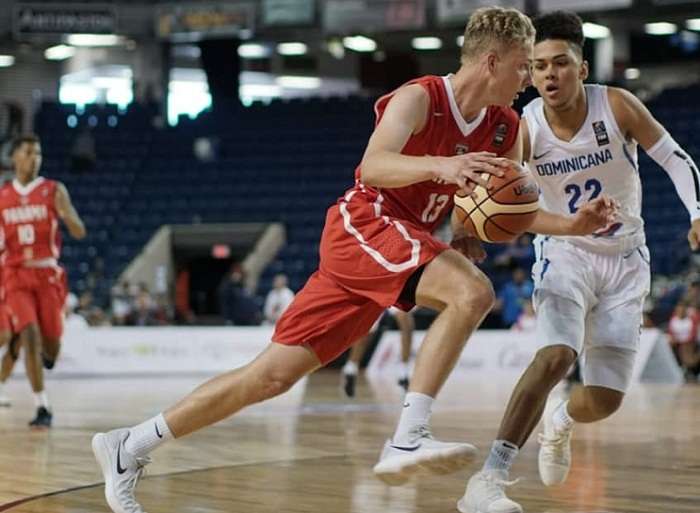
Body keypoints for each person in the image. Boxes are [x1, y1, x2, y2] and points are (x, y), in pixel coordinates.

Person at [91, 8, 612, 512]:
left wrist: (555, 224)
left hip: (396, 244)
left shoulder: (504, 127)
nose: (528, 78)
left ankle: (130, 444)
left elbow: (512, 208)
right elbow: (374, 165)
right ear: (493, 61)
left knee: (269, 377)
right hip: (365, 223)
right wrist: (443, 166)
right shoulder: (420, 97)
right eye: (524, 64)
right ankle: (408, 437)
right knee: (472, 292)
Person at [460, 11, 700, 513]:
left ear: (582, 68)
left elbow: (677, 160)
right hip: (564, 254)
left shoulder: (617, 106)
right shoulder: (524, 128)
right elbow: (495, 194)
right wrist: (470, 232)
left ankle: (561, 420)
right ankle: (488, 479)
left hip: (626, 261)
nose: (549, 75)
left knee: (605, 400)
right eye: (539, 66)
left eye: (560, 63)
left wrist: (698, 211)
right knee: (556, 355)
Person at [0, 133, 86, 428]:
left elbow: (79, 231)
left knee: (51, 345)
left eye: (38, 153)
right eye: (28, 152)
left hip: (47, 274)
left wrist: (67, 215)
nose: (34, 158)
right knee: (29, 334)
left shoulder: (53, 190)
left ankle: (44, 356)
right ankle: (42, 406)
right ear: (14, 158)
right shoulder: (2, 196)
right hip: (15, 274)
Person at [341, 307, 415, 397]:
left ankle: (403, 372)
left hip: (395, 295)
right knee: (366, 331)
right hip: (378, 295)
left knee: (406, 323)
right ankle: (351, 368)